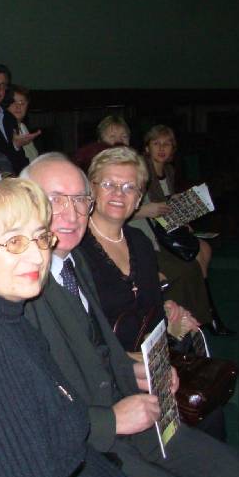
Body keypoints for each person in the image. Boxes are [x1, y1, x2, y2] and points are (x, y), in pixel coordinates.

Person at [0, 177, 179, 477]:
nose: (37, 255)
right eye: (14, 242)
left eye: (40, 237)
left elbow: (65, 444)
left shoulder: (11, 320)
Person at [21, 152, 239, 477]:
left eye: (78, 200)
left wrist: (139, 368)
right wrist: (113, 416)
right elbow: (29, 407)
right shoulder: (23, 284)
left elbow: (102, 345)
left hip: (128, 398)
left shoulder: (76, 258)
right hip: (90, 440)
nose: (70, 213)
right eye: (55, 199)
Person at [78, 146, 200, 351]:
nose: (119, 193)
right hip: (102, 361)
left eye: (129, 187)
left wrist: (170, 316)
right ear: (91, 189)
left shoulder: (140, 242)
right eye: (109, 184)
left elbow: (151, 308)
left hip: (147, 353)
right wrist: (126, 361)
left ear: (138, 198)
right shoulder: (76, 247)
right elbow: (78, 331)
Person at [134, 124, 231, 335]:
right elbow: (137, 209)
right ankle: (205, 315)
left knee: (204, 250)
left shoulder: (168, 171)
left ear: (173, 148)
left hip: (165, 228)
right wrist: (149, 209)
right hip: (149, 232)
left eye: (167, 144)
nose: (162, 148)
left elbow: (165, 206)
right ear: (147, 148)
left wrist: (181, 213)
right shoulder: (141, 171)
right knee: (193, 261)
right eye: (156, 143)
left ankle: (207, 311)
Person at [6, 83, 39, 162]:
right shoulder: (4, 128)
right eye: (13, 102)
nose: (18, 107)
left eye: (22, 103)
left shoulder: (22, 126)